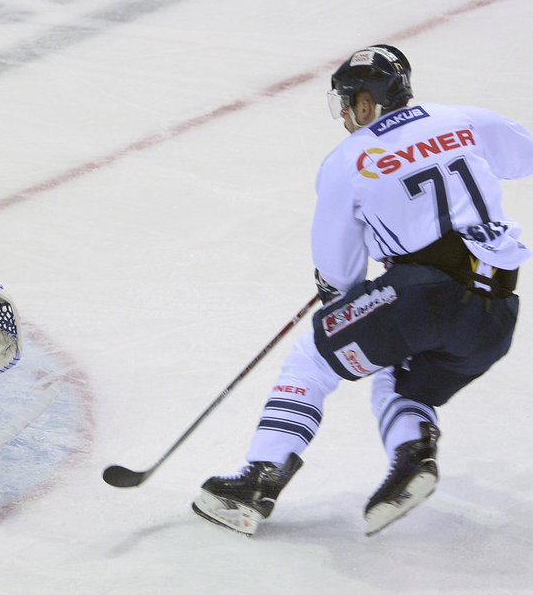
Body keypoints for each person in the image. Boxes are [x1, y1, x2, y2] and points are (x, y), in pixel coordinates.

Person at [192, 45, 533, 536]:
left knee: (313, 355)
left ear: (368, 102)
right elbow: (521, 155)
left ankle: (259, 481)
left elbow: (342, 274)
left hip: (424, 297)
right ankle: (412, 460)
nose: (347, 115)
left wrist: (335, 291)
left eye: (349, 102)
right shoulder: (463, 119)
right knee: (400, 380)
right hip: (496, 314)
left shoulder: (349, 159)